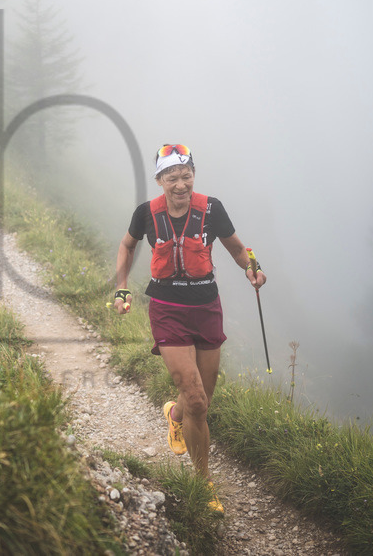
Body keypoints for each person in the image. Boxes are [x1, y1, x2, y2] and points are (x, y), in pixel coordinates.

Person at [113, 144, 266, 514]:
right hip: (167, 311)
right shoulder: (145, 214)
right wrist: (121, 287)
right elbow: (127, 245)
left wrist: (251, 268)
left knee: (201, 400)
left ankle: (174, 415)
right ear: (160, 180)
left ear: (193, 174)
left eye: (186, 175)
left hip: (206, 308)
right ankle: (204, 483)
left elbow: (234, 248)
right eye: (172, 177)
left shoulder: (211, 209)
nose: (180, 184)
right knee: (197, 398)